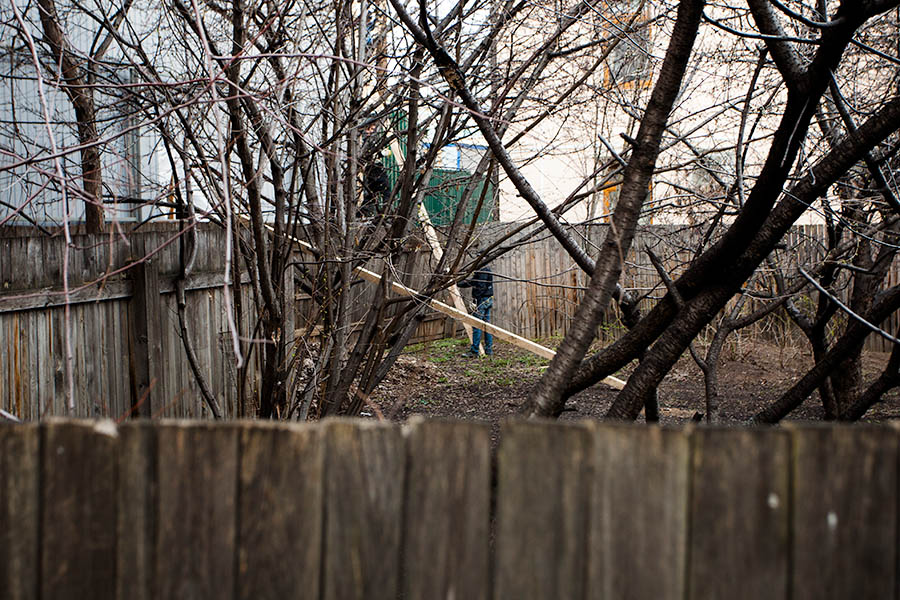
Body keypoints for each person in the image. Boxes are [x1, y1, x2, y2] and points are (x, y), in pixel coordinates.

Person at [459, 261, 494, 357]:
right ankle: (489, 350)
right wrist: (460, 283)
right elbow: (473, 282)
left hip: (482, 300)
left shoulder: (482, 270)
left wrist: (476, 301)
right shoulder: (486, 269)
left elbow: (481, 287)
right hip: (488, 299)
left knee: (476, 324)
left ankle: (474, 351)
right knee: (487, 325)